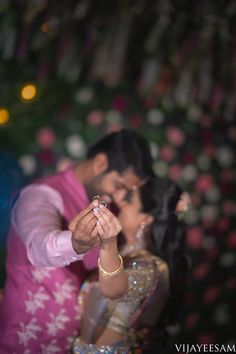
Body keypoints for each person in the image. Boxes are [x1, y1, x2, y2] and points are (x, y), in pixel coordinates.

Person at [0, 129, 154, 353]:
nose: (120, 197)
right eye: (119, 185)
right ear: (100, 163)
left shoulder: (106, 208)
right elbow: (40, 247)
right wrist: (77, 243)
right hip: (21, 342)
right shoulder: (41, 194)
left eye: (127, 192)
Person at [71, 176, 189, 354]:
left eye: (129, 201)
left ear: (147, 218)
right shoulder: (126, 254)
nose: (121, 204)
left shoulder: (146, 268)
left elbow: (107, 345)